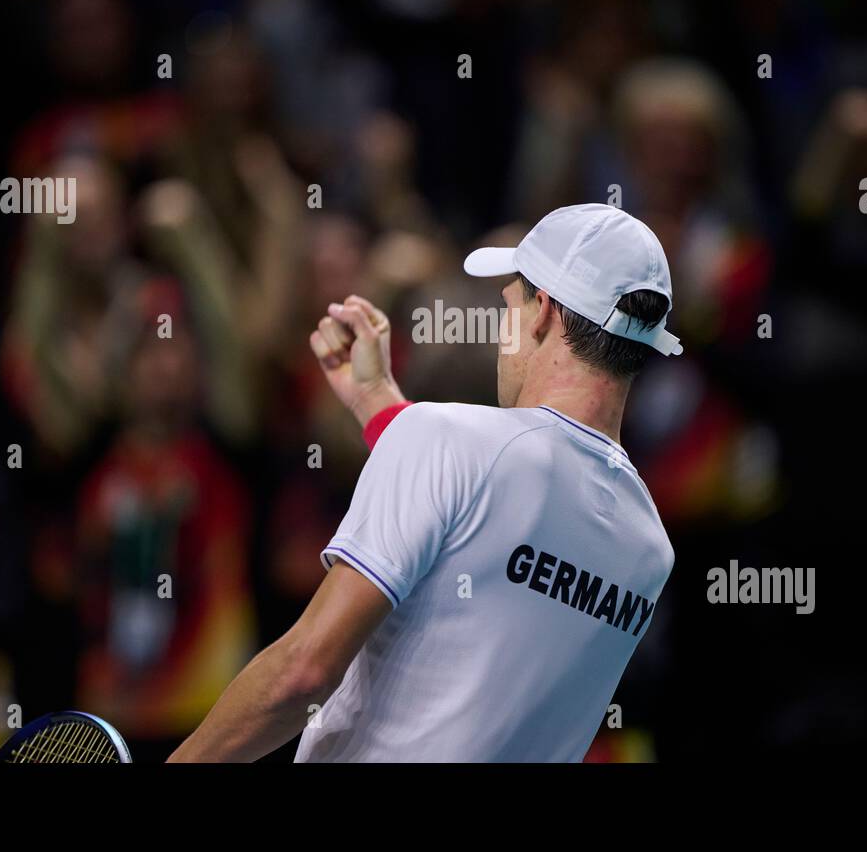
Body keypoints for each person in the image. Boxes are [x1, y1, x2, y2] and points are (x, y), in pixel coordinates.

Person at [170, 203, 678, 762]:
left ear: (544, 313)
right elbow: (496, 525)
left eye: (508, 305)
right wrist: (377, 402)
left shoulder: (445, 440)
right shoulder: (649, 547)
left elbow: (303, 673)